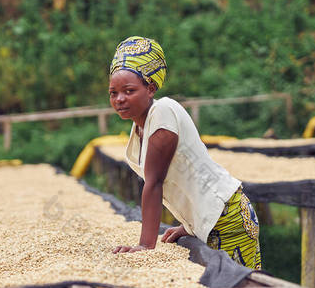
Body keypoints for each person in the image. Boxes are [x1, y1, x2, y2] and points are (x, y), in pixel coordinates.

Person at [109, 36, 261, 270]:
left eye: (128, 91)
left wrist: (145, 246)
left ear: (151, 88)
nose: (119, 99)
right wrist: (189, 225)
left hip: (227, 218)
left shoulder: (163, 112)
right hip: (210, 220)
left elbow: (155, 182)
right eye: (113, 93)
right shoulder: (140, 125)